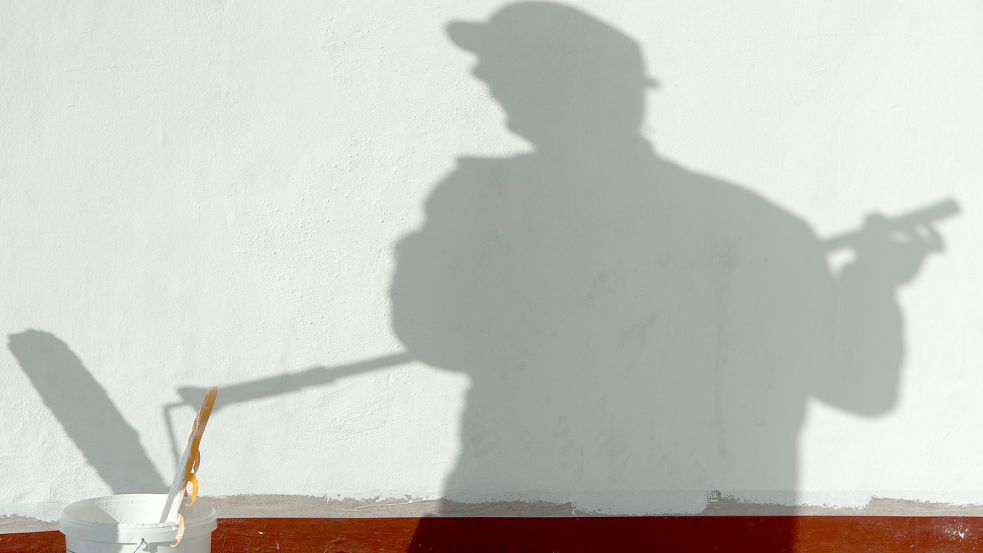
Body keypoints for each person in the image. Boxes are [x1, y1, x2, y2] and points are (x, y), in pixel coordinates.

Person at [390, 2, 943, 547]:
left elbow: (433, 335)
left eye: (505, 66)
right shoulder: (757, 224)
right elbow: (860, 389)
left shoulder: (481, 202)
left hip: (604, 517)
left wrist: (871, 286)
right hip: (558, 512)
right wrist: (873, 284)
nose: (486, 79)